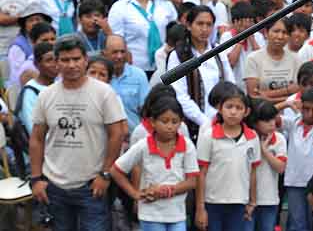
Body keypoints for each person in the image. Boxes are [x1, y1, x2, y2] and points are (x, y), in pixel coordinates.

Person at [29, 36, 127, 231]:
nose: (71, 65)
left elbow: (117, 135)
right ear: (56, 62)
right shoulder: (46, 95)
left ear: (85, 60)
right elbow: (37, 139)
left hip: (92, 185)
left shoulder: (104, 93)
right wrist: (36, 178)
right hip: (54, 185)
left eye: (76, 59)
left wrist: (105, 174)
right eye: (65, 60)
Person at [111, 95, 199, 231]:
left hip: (177, 213)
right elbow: (116, 170)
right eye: (164, 121)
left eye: (175, 122)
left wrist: (167, 190)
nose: (170, 126)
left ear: (181, 122)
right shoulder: (144, 145)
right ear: (153, 122)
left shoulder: (187, 145)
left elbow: (192, 181)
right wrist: (135, 194)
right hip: (150, 213)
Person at [195, 83, 259, 231]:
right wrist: (200, 208)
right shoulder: (208, 135)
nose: (233, 112)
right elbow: (201, 173)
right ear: (220, 109)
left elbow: (253, 171)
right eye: (229, 107)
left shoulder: (252, 137)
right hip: (213, 201)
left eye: (238, 108)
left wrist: (252, 201)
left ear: (246, 112)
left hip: (239, 201)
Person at [167, 7, 234, 132]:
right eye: (200, 24)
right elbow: (180, 95)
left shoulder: (218, 51)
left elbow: (230, 84)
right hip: (192, 124)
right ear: (188, 25)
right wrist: (205, 122)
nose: (204, 29)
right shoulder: (178, 55)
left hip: (222, 121)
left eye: (209, 25)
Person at [108, 0, 178, 74]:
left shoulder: (164, 4)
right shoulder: (120, 7)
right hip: (135, 65)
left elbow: (175, 29)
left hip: (164, 64)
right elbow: (116, 38)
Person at [281, 88, 313, 231]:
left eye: (311, 109)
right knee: (297, 225)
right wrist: (286, 104)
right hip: (295, 181)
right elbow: (265, 114)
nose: (306, 112)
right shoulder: (294, 123)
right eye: (304, 108)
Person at [248, 101, 287, 231]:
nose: (272, 124)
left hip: (269, 199)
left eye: (273, 119)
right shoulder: (247, 138)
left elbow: (281, 168)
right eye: (266, 120)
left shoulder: (280, 138)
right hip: (246, 199)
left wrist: (264, 150)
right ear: (256, 122)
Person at [105, 34, 150, 133]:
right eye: (115, 52)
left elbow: (146, 111)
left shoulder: (139, 75)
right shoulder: (100, 77)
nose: (119, 56)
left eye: (122, 52)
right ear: (104, 53)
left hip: (134, 137)